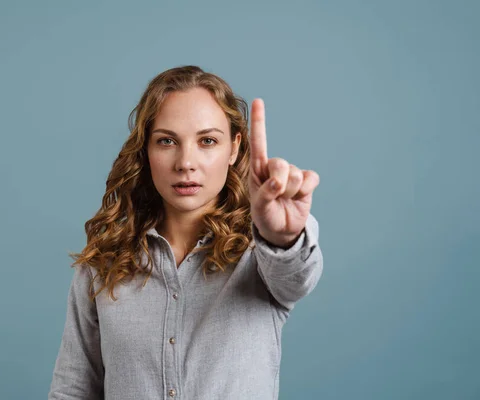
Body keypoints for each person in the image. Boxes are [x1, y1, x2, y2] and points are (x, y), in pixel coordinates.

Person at [48, 65, 323, 399]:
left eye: (207, 141)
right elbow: (73, 389)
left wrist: (282, 239)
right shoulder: (103, 263)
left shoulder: (260, 255)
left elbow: (295, 277)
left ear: (234, 148)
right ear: (146, 150)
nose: (186, 162)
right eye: (167, 141)